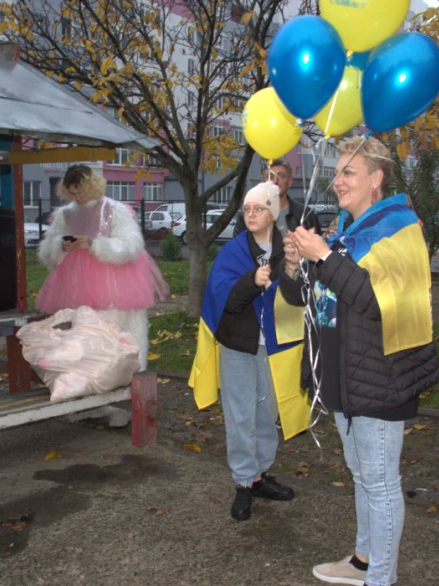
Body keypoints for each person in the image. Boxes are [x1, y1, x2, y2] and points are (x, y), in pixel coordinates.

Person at [279, 136, 439, 586]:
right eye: (337, 171)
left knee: (381, 481)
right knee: (361, 475)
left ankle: (380, 579)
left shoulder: (397, 229)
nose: (338, 180)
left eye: (349, 171)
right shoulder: (350, 231)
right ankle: (363, 561)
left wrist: (325, 256)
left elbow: (375, 301)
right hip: (348, 378)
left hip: (381, 378)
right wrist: (296, 264)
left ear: (377, 178)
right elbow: (301, 298)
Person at [189, 181, 310, 522]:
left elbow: (300, 296)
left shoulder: (288, 248)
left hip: (276, 347)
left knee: (267, 413)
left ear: (273, 212)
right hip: (239, 345)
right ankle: (243, 482)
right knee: (240, 414)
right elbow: (221, 301)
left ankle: (260, 475)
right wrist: (251, 281)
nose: (251, 214)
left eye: (259, 208)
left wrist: (293, 269)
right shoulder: (234, 251)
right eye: (247, 209)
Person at [36, 165, 168, 425]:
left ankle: (121, 405)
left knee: (116, 344)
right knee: (82, 346)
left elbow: (132, 247)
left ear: (93, 185)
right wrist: (61, 245)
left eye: (81, 191)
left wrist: (95, 244)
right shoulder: (64, 215)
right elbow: (47, 254)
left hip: (116, 288)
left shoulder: (114, 210)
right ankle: (87, 402)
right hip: (75, 288)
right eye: (72, 193)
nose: (78, 197)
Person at [233, 159, 321, 237]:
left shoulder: (305, 214)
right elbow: (237, 249)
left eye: (280, 176)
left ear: (289, 182)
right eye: (270, 177)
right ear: (263, 182)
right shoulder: (247, 215)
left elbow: (317, 249)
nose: (275, 181)